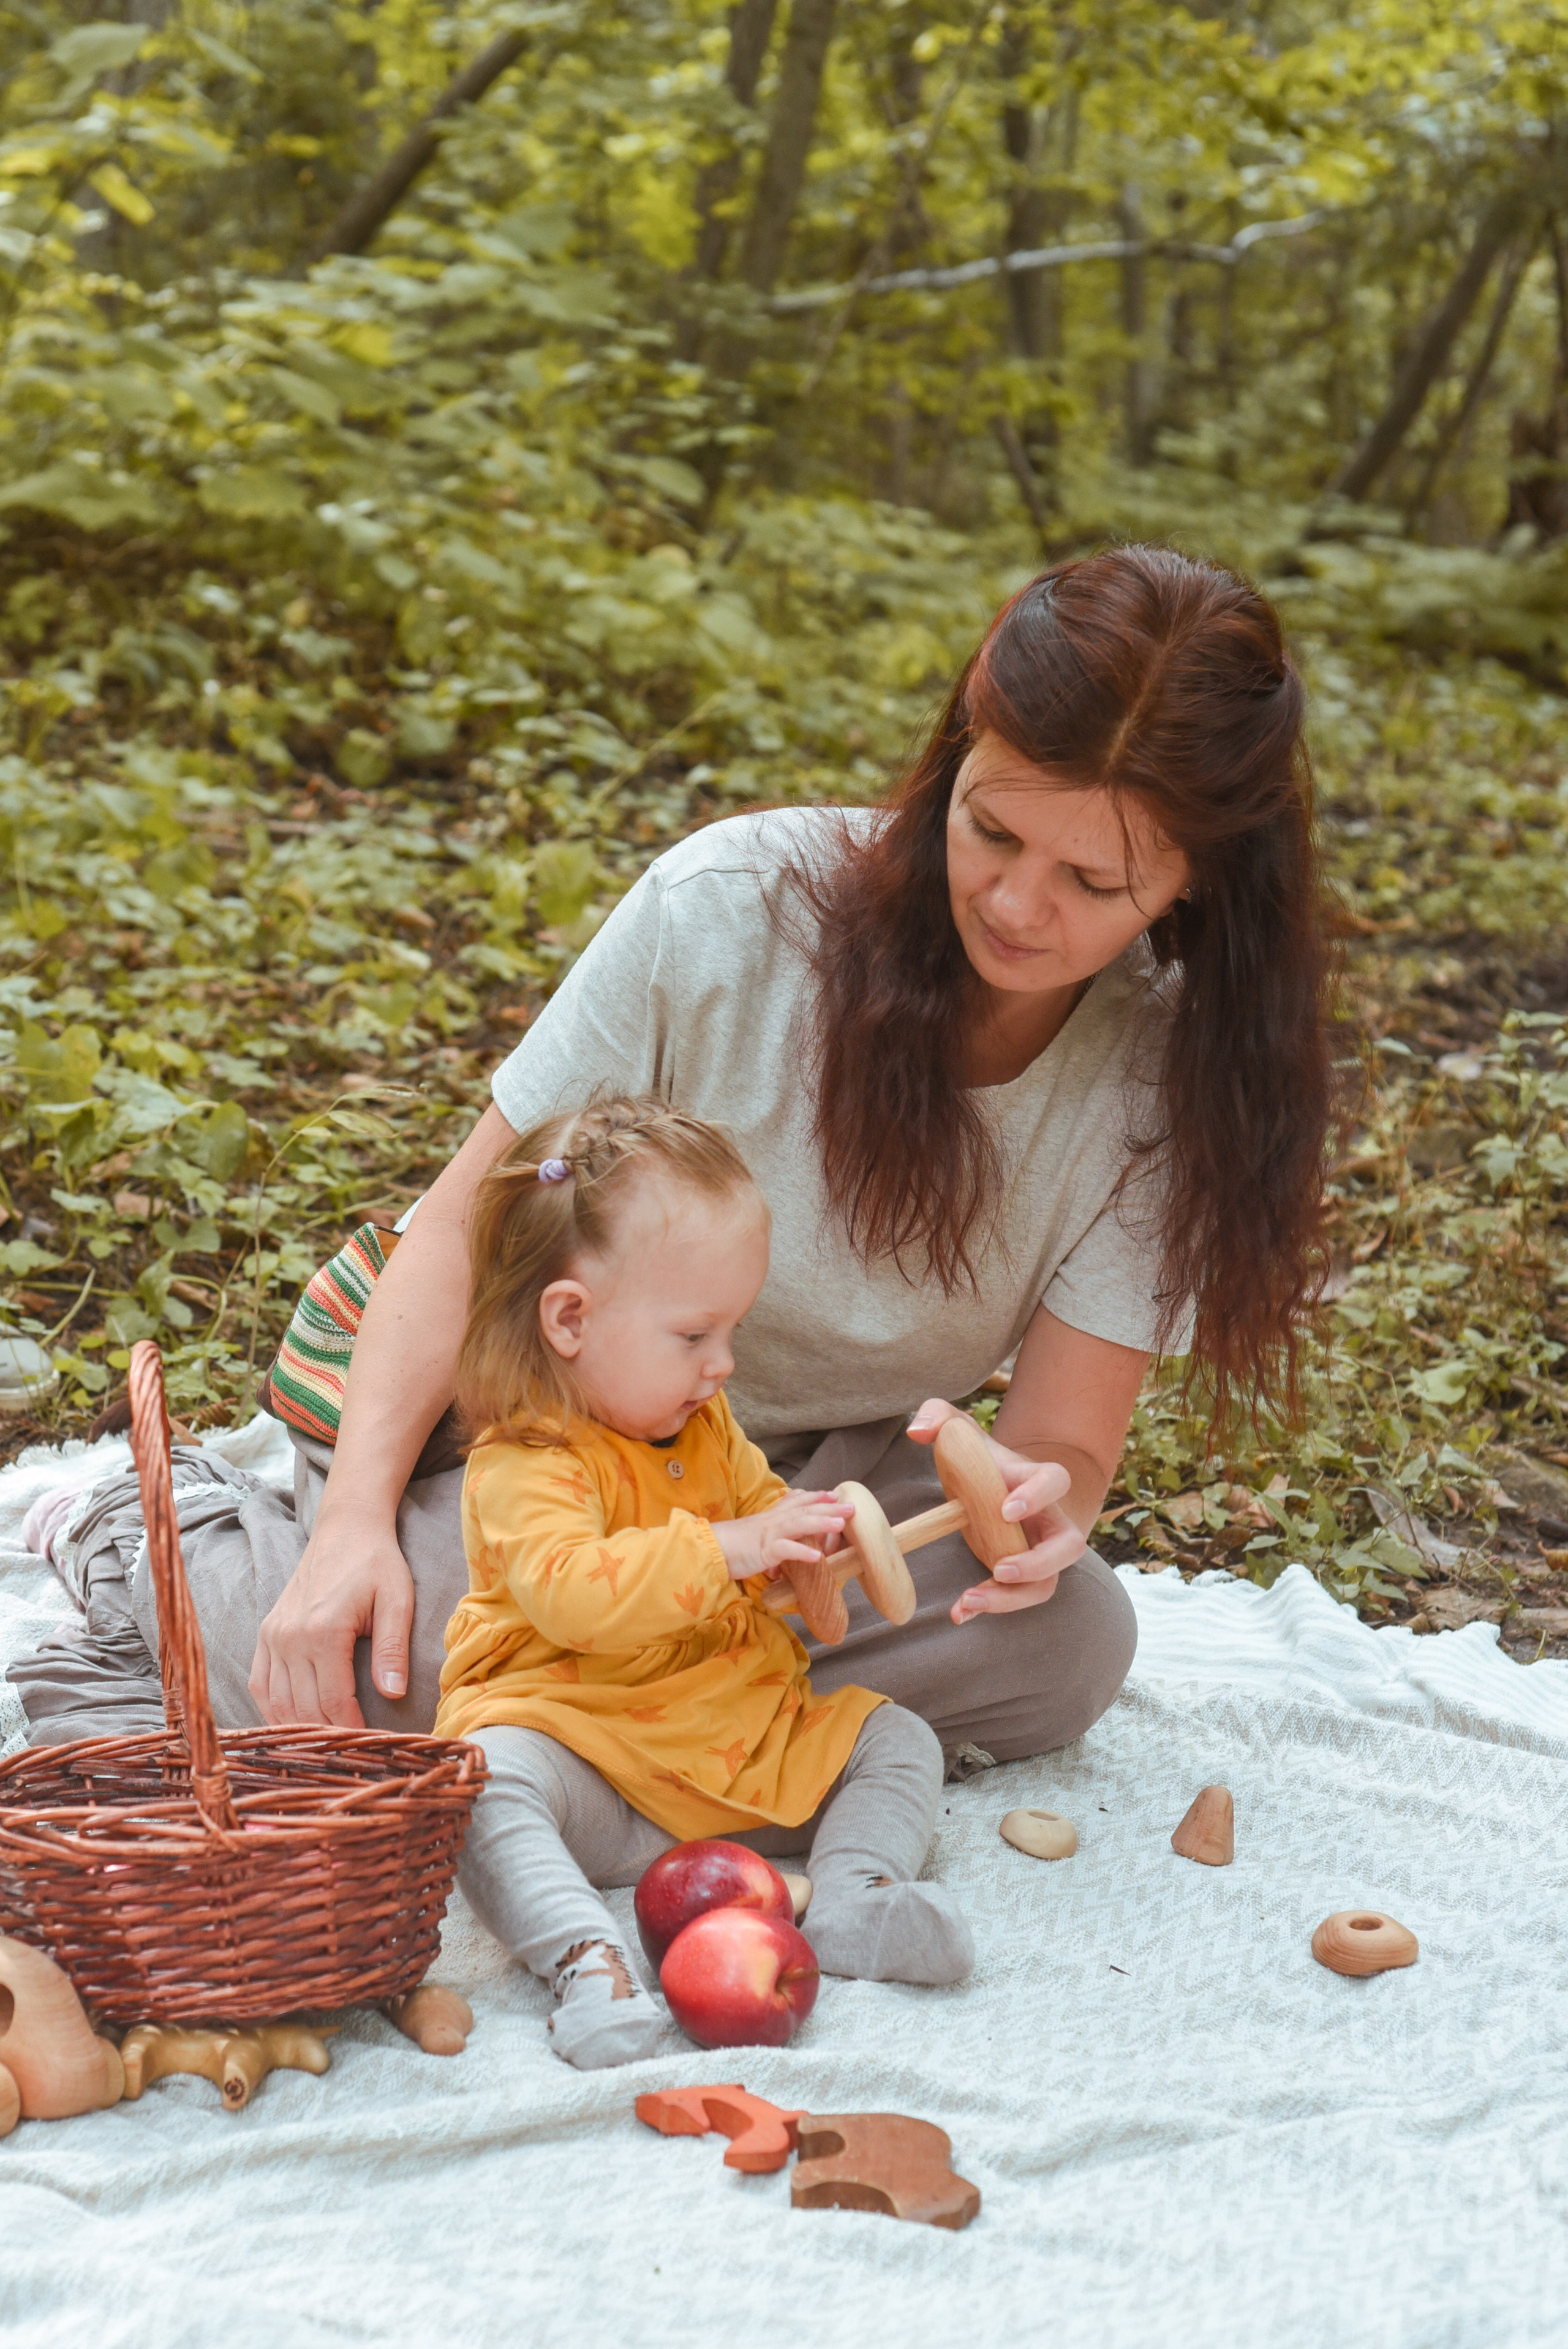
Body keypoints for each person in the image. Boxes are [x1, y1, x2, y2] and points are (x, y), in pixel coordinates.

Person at [7, 544, 1332, 1770]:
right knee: (387, 1662)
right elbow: (464, 1230)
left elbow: (1056, 1446)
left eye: (1092, 883)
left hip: (787, 1490)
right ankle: (162, 1544)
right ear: (954, 756)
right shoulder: (730, 910)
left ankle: (621, 1710)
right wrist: (354, 1526)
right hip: (540, 1445)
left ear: (1193, 881)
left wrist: (1038, 1516)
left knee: (1069, 1643)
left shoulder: (1166, 1081)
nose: (1013, 901)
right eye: (989, 829)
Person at [445, 1095, 973, 2069]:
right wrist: (731, 1544)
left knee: (894, 1736)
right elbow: (574, 1593)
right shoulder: (527, 1462)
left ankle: (854, 1903)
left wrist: (800, 1557)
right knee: (482, 1781)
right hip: (591, 1758)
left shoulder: (704, 1428)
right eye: (694, 1337)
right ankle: (586, 1962)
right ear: (569, 1319)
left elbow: (762, 1522)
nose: (723, 1365)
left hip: (731, 1749)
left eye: (732, 1331)